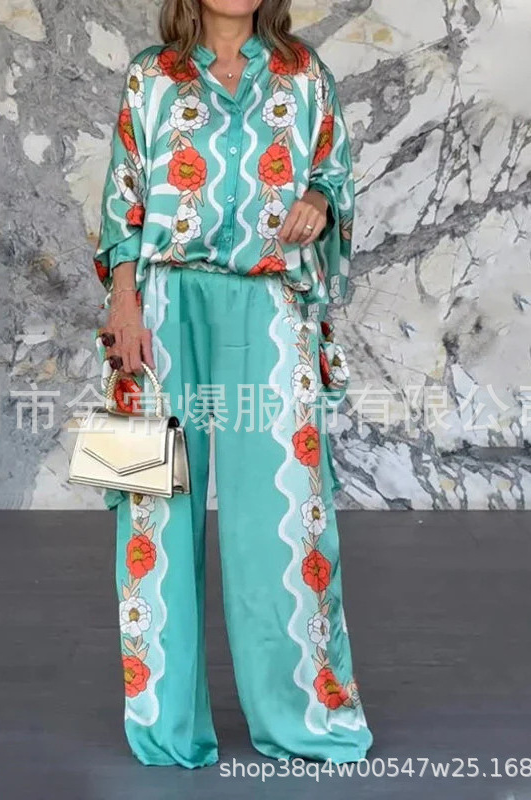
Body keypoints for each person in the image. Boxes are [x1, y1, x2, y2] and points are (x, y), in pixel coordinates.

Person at [91, 0, 373, 769]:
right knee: (153, 513)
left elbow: (335, 176)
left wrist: (318, 201)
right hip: (163, 307)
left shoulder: (304, 75)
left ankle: (305, 716)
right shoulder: (151, 77)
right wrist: (123, 306)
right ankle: (164, 726)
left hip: (271, 303)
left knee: (283, 518)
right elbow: (122, 201)